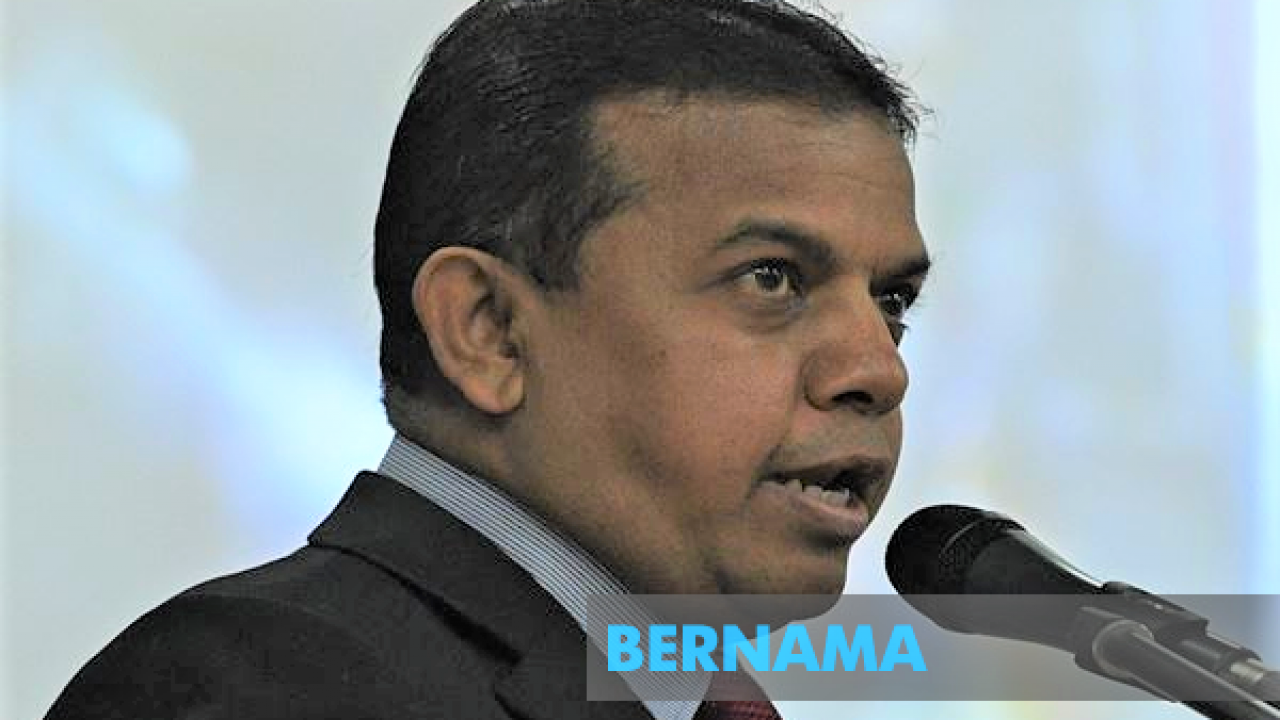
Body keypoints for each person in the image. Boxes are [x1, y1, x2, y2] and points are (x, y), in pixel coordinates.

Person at [45, 0, 929, 718]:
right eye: (772, 277)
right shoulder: (263, 687)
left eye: (891, 302)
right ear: (489, 330)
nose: (879, 370)